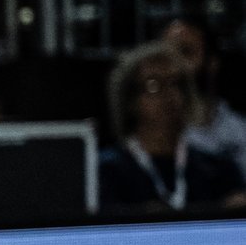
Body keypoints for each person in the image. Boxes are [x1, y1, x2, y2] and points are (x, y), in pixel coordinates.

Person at [97, 40, 246, 213]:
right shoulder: (105, 172)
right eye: (154, 85)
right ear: (130, 100)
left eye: (176, 83)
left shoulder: (220, 170)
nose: (169, 94)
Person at [161, 16, 246, 176]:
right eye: (167, 55)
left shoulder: (240, 130)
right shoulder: (152, 134)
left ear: (212, 63)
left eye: (185, 52)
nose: (174, 65)